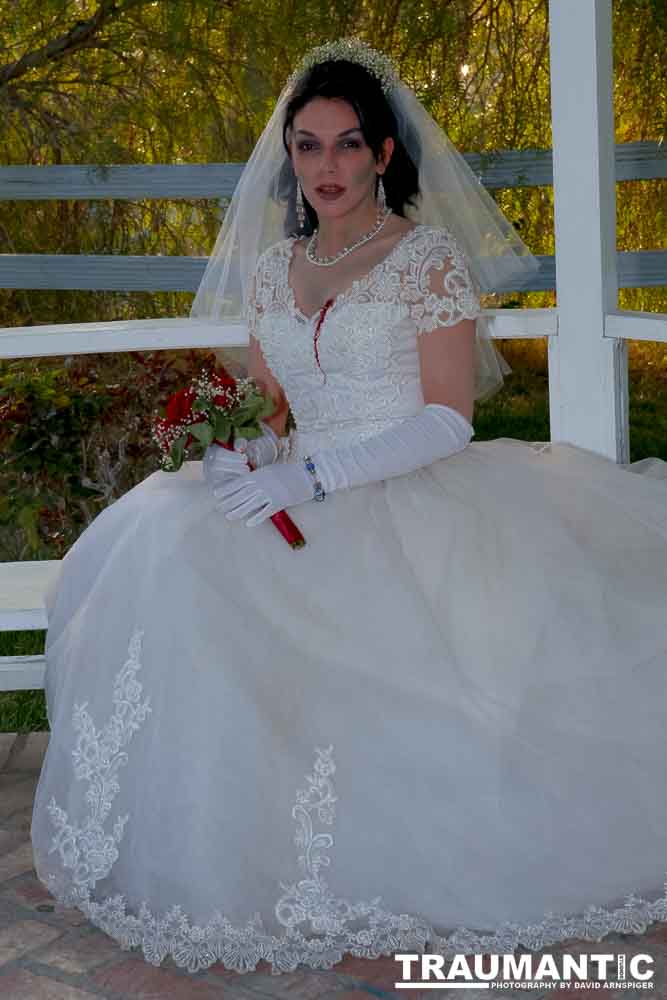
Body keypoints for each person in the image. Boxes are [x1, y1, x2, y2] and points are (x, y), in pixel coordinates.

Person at [31, 39, 667, 977]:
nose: (324, 167)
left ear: (383, 155)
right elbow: (275, 404)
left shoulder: (426, 258)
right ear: (287, 157)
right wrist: (241, 450)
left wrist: (314, 481)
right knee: (166, 559)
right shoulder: (270, 268)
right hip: (296, 482)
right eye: (306, 146)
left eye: (344, 145)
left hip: (407, 492)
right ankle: (233, 847)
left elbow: (449, 419)